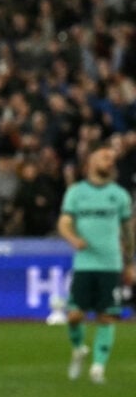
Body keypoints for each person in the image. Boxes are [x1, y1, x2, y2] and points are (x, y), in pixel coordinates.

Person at [57, 142, 134, 384]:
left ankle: (98, 368)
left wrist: (130, 261)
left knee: (107, 316)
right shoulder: (76, 192)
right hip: (84, 263)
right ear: (90, 163)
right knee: (74, 316)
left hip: (111, 264)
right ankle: (79, 348)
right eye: (104, 157)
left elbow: (128, 230)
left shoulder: (119, 195)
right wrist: (73, 239)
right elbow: (64, 222)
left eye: (112, 158)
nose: (110, 161)